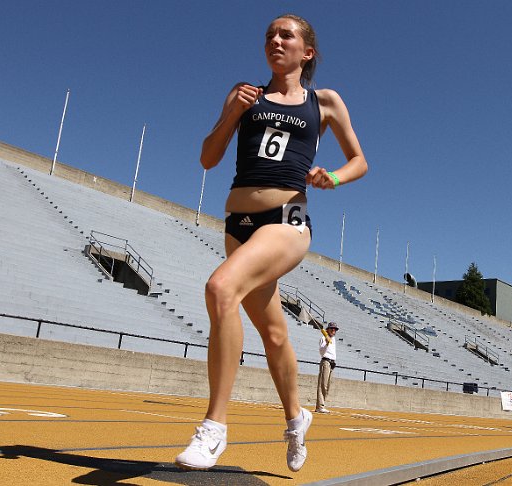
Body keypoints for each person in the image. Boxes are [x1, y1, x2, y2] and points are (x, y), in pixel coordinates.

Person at [175, 13, 368, 473]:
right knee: (274, 332)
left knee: (221, 289)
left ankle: (214, 428)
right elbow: (208, 157)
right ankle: (296, 418)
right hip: (237, 223)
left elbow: (359, 160)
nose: (275, 41)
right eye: (269, 35)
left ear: (307, 51)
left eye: (286, 35)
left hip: (287, 220)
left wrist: (333, 177)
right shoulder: (246, 94)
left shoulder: (324, 102)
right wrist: (230, 114)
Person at [315, 322, 339, 413]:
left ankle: (322, 404)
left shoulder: (333, 339)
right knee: (323, 384)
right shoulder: (323, 338)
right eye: (332, 329)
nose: (334, 331)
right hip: (326, 361)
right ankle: (320, 406)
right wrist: (326, 343)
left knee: (327, 385)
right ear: (327, 329)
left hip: (332, 363)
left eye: (335, 329)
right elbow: (321, 351)